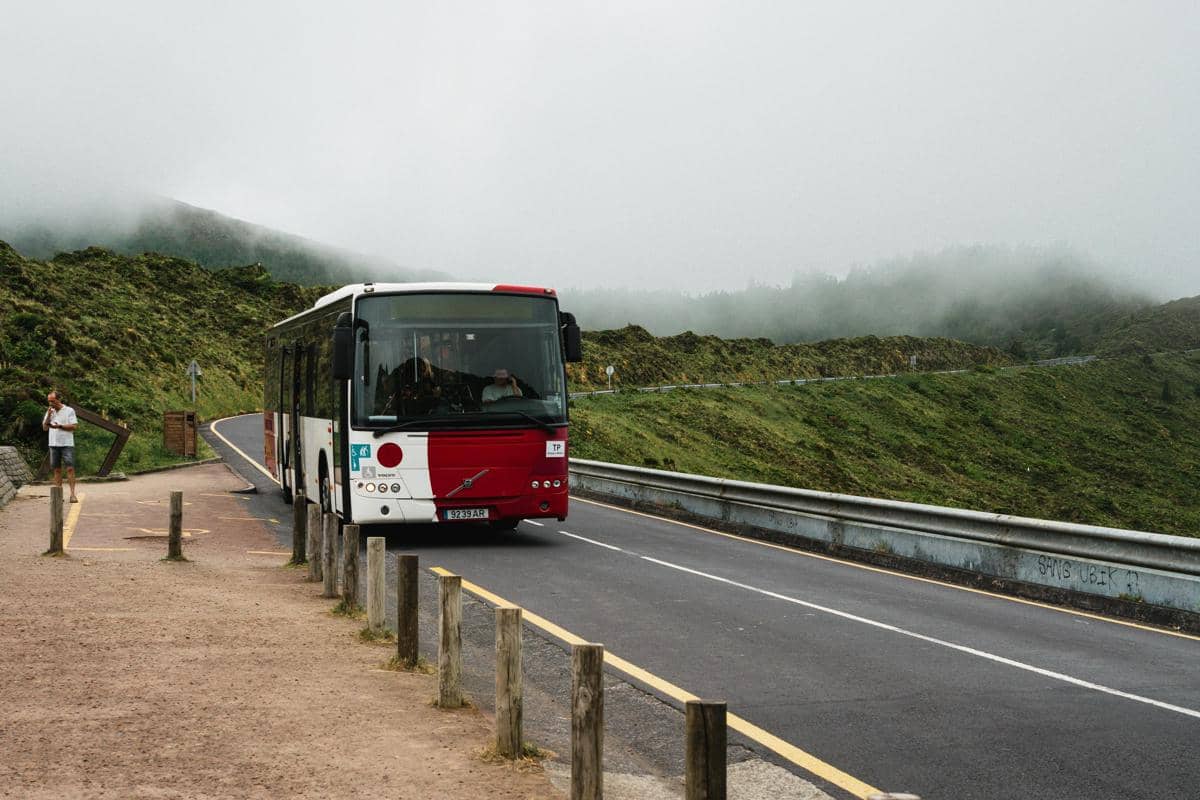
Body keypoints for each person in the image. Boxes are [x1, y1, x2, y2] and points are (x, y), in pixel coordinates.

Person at [42, 390, 78, 502]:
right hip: (53, 443)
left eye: (52, 401)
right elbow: (44, 428)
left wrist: (60, 426)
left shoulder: (69, 410)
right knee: (57, 470)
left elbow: (74, 426)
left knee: (70, 468)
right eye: (49, 401)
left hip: (67, 443)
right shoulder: (50, 411)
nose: (51, 403)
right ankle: (59, 495)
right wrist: (48, 415)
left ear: (59, 399)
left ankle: (72, 494)